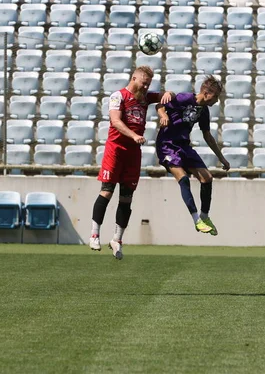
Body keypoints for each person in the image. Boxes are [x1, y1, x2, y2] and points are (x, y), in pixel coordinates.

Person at [90, 66, 174, 259]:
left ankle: (117, 240)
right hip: (116, 149)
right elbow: (116, 121)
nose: (145, 87)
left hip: (133, 153)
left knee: (127, 197)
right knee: (107, 191)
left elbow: (166, 95)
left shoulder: (145, 97)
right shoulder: (118, 96)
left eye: (148, 84)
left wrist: (166, 101)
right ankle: (95, 233)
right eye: (143, 83)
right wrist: (134, 135)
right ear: (133, 78)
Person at [155, 75, 230, 235]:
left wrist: (221, 158)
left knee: (207, 178)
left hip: (183, 146)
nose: (217, 101)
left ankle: (204, 216)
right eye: (216, 96)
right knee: (183, 178)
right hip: (167, 145)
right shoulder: (185, 98)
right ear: (206, 93)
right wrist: (164, 115)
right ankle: (196, 220)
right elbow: (159, 105)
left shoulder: (203, 111)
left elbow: (207, 136)